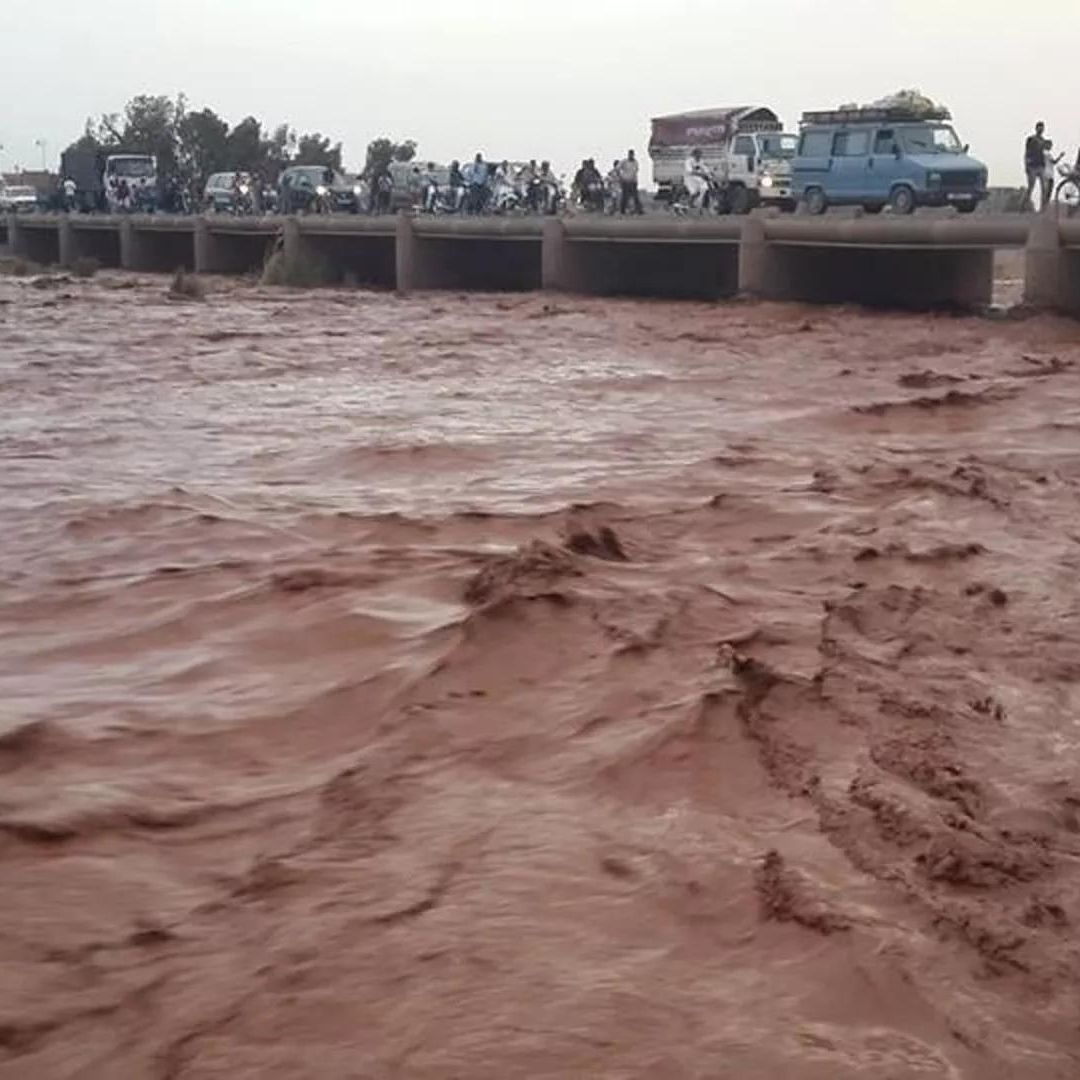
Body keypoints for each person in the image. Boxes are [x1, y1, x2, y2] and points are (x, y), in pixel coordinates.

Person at [1024, 122, 1050, 211]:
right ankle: (1024, 205)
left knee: (1044, 187)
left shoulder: (1043, 140)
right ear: (1036, 128)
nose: (1041, 129)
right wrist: (1026, 165)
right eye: (1040, 128)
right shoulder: (1031, 139)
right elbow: (1026, 152)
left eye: (1042, 128)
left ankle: (1042, 208)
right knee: (1031, 187)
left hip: (1041, 166)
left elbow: (1047, 149)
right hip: (1032, 166)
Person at [617, 150, 642, 215]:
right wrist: (621, 176)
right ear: (628, 154)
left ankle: (639, 210)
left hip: (633, 181)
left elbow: (635, 171)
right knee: (625, 196)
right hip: (625, 181)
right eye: (630, 154)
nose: (631, 155)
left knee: (635, 196)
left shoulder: (635, 162)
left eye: (632, 154)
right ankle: (622, 210)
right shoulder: (624, 161)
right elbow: (617, 168)